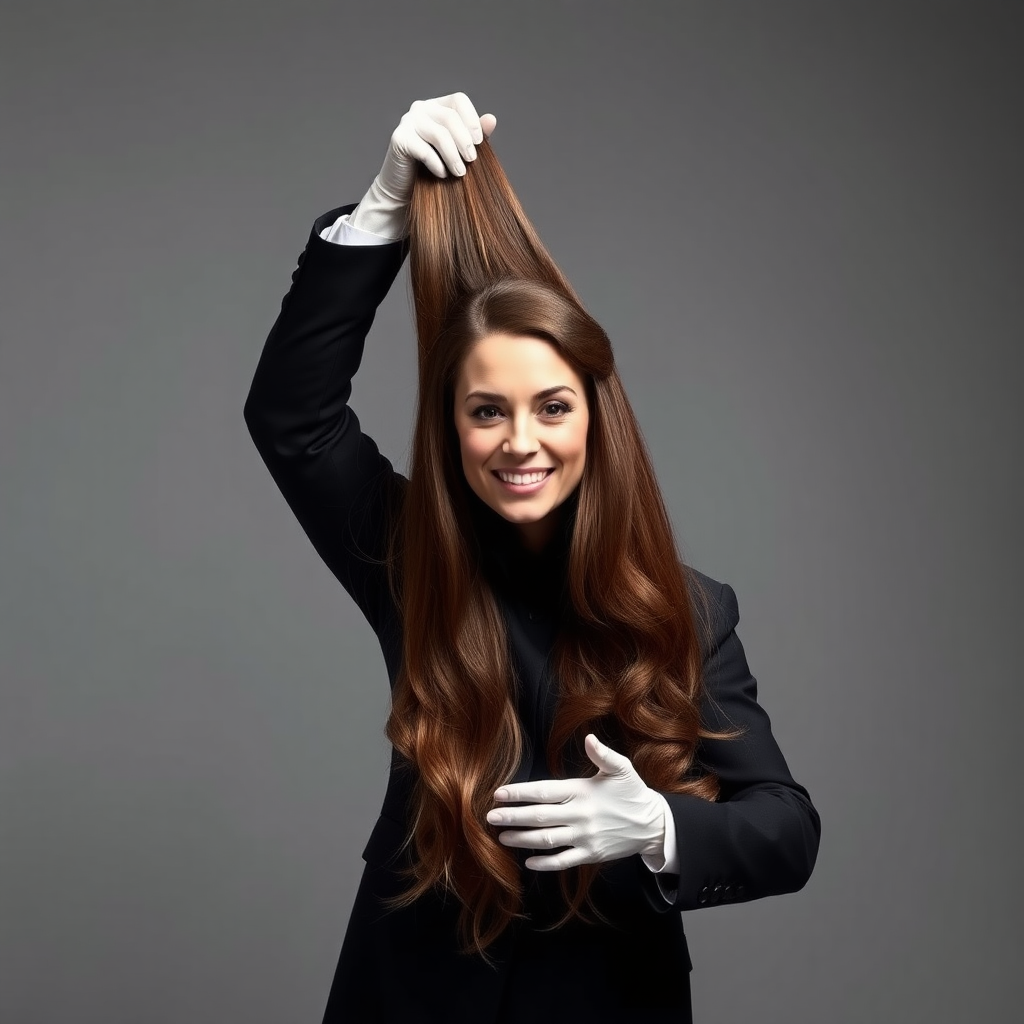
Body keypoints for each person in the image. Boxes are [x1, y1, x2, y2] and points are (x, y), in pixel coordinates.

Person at [243, 93, 821, 1024]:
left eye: (551, 407)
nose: (521, 441)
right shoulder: (411, 559)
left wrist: (662, 829)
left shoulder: (693, 609)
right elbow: (292, 418)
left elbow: (787, 827)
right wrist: (381, 211)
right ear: (454, 427)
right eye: (486, 411)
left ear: (596, 419)